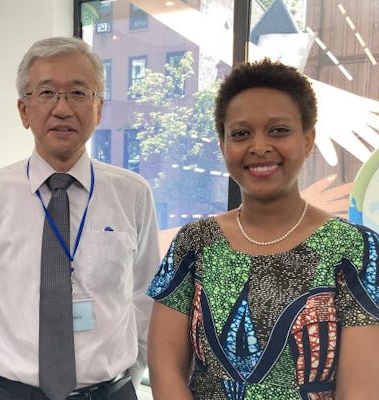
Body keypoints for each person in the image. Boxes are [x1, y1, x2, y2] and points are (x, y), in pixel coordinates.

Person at [146, 58, 379, 399]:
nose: (259, 146)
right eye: (241, 133)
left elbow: (362, 389)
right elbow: (164, 368)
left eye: (278, 130)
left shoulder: (355, 249)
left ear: (307, 140)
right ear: (224, 145)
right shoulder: (194, 244)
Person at [0, 37, 160, 400]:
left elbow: (146, 296)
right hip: (9, 391)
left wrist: (129, 374)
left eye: (78, 93)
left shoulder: (133, 194)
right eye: (46, 93)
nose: (62, 109)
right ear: (23, 110)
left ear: (99, 108)